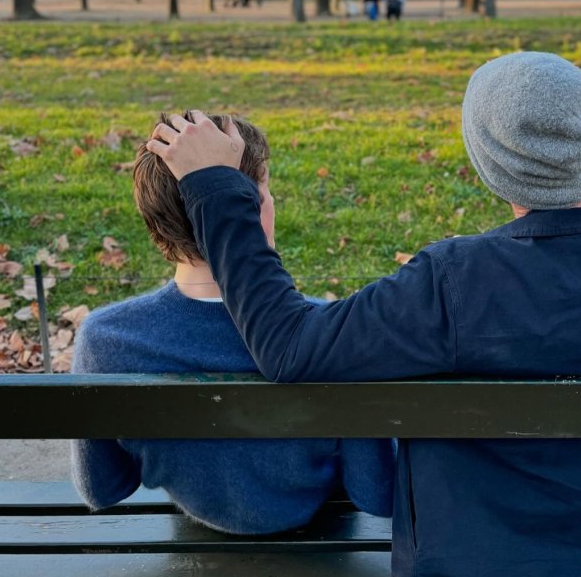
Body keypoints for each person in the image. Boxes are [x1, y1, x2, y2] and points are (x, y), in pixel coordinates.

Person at [146, 54, 581, 577]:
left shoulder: (453, 281)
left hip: (480, 557)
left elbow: (289, 348)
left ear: (486, 160)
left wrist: (216, 188)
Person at [72, 112, 394, 534]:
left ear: (153, 219)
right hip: (316, 531)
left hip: (197, 520)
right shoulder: (328, 332)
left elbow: (103, 487)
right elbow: (375, 492)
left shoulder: (106, 338)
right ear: (254, 204)